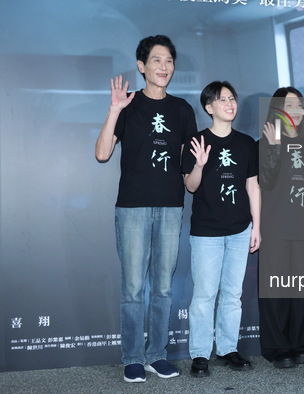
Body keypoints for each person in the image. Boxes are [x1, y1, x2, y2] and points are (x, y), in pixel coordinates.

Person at [94, 35, 197, 383]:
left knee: (164, 288)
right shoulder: (129, 104)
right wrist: (114, 110)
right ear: (142, 66)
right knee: (134, 287)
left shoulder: (182, 109)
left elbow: (187, 169)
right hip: (133, 208)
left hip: (170, 208)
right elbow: (102, 153)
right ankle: (133, 357)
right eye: (156, 60)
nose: (163, 67)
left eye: (168, 61)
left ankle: (157, 355)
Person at [182, 81, 260, 378]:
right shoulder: (198, 141)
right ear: (208, 107)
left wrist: (257, 226)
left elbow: (252, 186)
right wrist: (200, 164)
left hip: (240, 229)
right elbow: (190, 186)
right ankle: (200, 354)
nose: (229, 104)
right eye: (222, 99)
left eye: (232, 98)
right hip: (207, 232)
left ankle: (228, 348)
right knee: (204, 294)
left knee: (232, 294)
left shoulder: (246, 143)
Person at [258, 87, 304, 369]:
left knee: (300, 291)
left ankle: (301, 345)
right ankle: (277, 348)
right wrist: (273, 146)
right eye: (288, 104)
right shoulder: (265, 140)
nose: (294, 108)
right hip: (273, 226)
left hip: (303, 225)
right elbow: (266, 181)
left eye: (298, 104)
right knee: (275, 290)